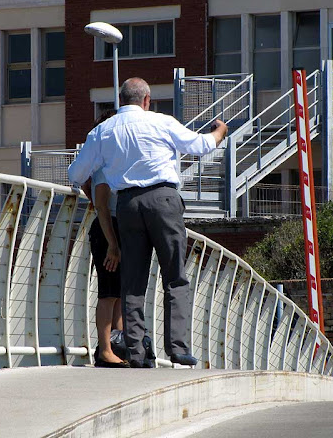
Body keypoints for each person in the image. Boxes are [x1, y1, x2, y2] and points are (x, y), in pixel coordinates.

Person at [69, 77, 228, 368]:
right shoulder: (161, 122)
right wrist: (220, 131)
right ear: (146, 100)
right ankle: (178, 349)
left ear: (121, 100)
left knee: (132, 281)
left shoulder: (104, 131)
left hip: (128, 205)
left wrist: (95, 195)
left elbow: (76, 174)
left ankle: (136, 351)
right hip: (163, 200)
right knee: (174, 276)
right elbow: (202, 145)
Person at [80, 110, 129, 368]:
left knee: (119, 292)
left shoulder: (108, 161)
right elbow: (100, 203)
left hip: (114, 228)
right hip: (107, 230)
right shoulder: (103, 164)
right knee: (109, 292)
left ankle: (117, 345)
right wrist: (112, 244)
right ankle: (106, 350)